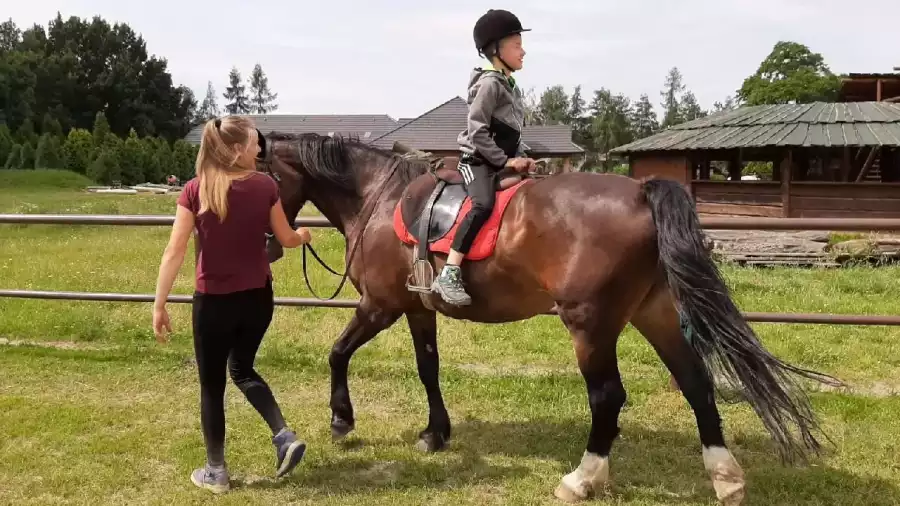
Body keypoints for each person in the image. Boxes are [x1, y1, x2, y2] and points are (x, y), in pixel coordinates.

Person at [152, 116, 312, 493]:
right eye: (256, 144)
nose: (260, 149)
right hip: (258, 299)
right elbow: (286, 238)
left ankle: (216, 471)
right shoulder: (265, 187)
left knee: (212, 385)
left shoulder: (195, 190)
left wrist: (159, 304)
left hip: (213, 304)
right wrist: (303, 235)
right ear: (237, 149)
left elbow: (174, 251)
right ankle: (283, 436)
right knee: (242, 368)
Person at [432, 9, 536, 306]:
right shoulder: (490, 84)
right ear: (495, 50)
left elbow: (511, 134)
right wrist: (505, 162)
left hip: (500, 161)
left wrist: (523, 156)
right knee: (482, 205)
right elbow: (477, 130)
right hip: (477, 162)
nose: (523, 51)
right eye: (516, 45)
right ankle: (450, 271)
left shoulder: (509, 87)